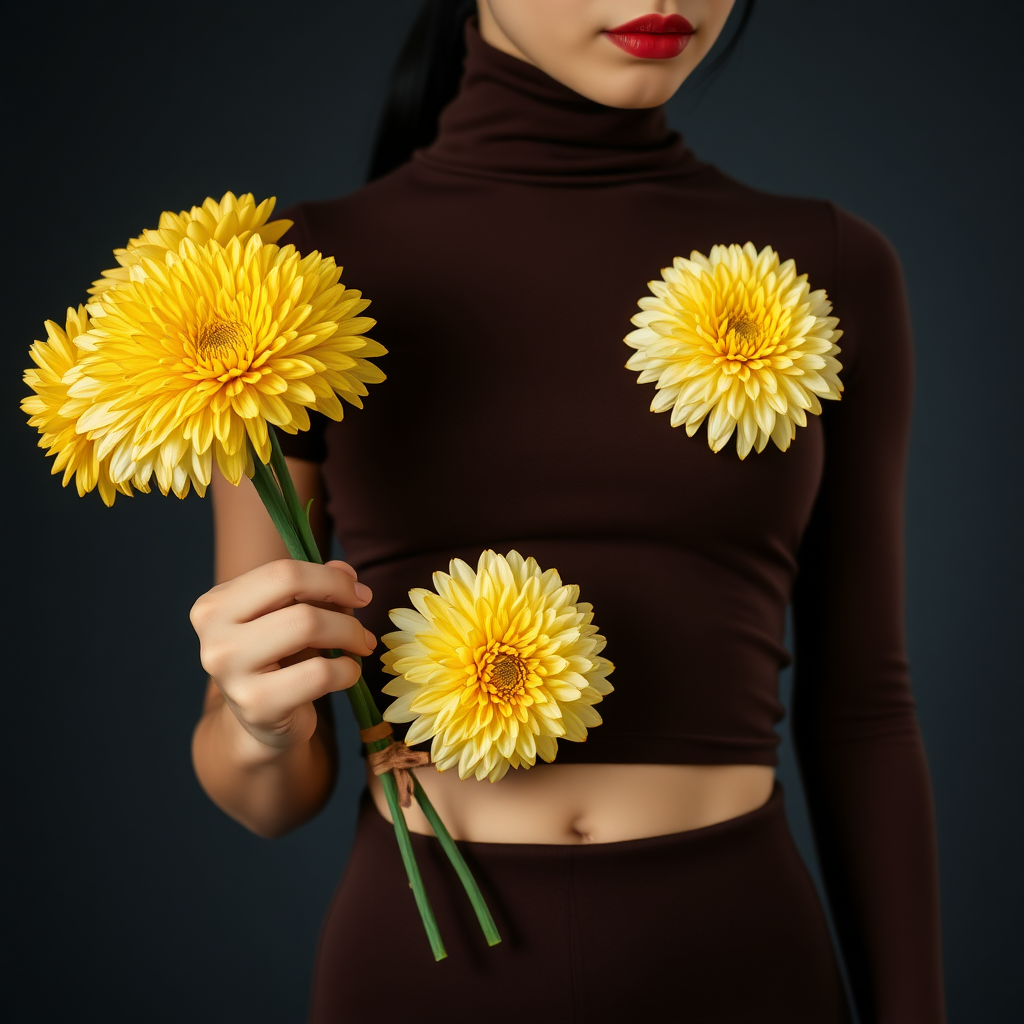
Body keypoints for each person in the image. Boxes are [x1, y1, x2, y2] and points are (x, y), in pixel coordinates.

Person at [190, 2, 946, 1020]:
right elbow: (270, 795)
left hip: (742, 960)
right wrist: (258, 723)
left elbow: (863, 709)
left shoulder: (832, 263)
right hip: (422, 968)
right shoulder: (283, 283)